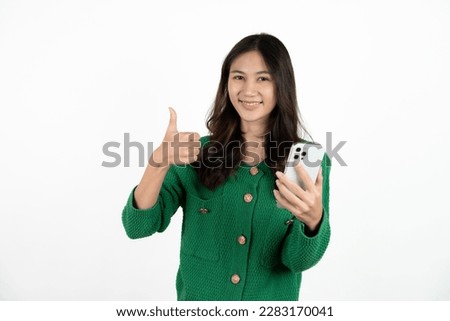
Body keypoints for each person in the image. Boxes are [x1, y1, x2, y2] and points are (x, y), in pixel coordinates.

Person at [122, 33, 331, 301]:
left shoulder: (305, 162)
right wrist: (158, 163)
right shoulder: (194, 154)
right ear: (226, 83)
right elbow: (138, 227)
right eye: (239, 77)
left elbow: (297, 261)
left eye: (263, 78)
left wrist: (313, 221)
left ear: (282, 85)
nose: (248, 90)